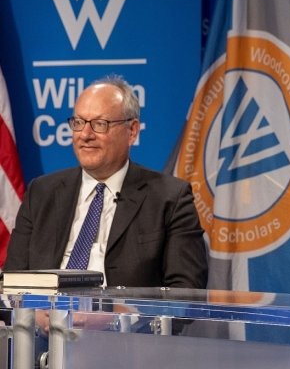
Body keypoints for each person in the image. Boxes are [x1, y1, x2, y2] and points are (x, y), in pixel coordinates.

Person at [4, 75, 208, 289]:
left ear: (132, 131)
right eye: (79, 122)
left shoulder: (170, 198)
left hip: (125, 322)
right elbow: (12, 281)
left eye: (100, 124)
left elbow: (187, 289)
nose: (85, 134)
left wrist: (119, 311)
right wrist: (36, 315)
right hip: (46, 320)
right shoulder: (41, 193)